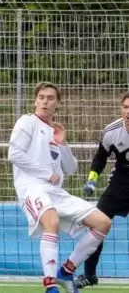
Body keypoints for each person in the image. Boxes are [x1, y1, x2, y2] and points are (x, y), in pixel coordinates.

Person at [8, 82, 112, 293]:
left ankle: (66, 271)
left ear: (58, 104)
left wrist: (62, 143)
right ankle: (50, 286)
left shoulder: (53, 131)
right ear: (35, 100)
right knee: (51, 221)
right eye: (41, 97)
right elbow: (14, 154)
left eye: (50, 98)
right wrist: (47, 174)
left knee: (103, 223)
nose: (45, 101)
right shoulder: (27, 121)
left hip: (57, 193)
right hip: (32, 188)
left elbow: (71, 168)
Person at [74, 92, 129, 289]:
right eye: (125, 107)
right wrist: (91, 180)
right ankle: (89, 275)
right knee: (97, 224)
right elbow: (100, 158)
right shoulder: (111, 132)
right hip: (121, 182)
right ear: (121, 109)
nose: (128, 112)